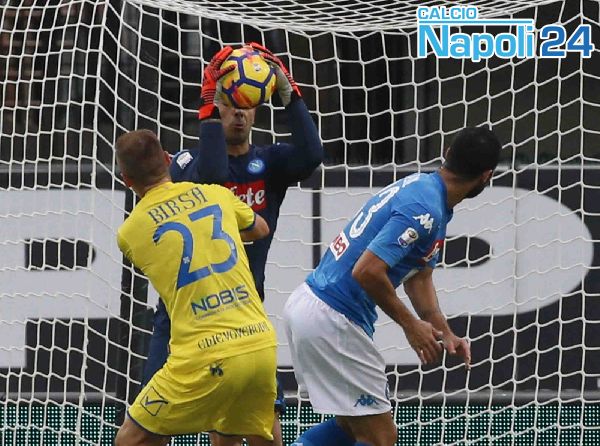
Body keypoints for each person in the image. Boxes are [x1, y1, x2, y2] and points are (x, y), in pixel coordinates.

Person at [142, 43, 323, 446]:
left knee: (261, 431)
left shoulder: (270, 163)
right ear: (215, 106)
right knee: (149, 432)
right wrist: (209, 100)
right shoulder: (185, 165)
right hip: (183, 318)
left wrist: (289, 93)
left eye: (246, 103)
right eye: (228, 101)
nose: (238, 112)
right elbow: (213, 174)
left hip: (242, 315)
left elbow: (312, 154)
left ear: (257, 110)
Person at [284, 126, 502, 446]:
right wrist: (411, 325)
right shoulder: (425, 208)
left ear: (447, 154)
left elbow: (419, 277)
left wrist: (444, 331)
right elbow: (366, 271)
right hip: (334, 316)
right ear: (486, 176)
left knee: (351, 427)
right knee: (381, 438)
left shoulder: (426, 190)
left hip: (312, 305)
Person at [113, 129, 277, 446]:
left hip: (205, 355)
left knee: (131, 439)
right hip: (259, 343)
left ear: (126, 180)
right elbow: (260, 228)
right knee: (247, 437)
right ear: (167, 159)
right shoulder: (216, 194)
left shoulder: (130, 232)